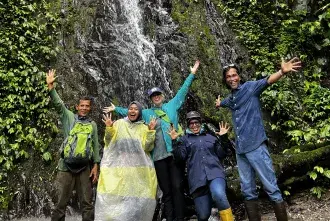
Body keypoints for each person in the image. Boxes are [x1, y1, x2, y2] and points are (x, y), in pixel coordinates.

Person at [103, 60, 200, 221]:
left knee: (177, 187)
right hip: (158, 158)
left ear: (162, 96)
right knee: (167, 191)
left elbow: (183, 90)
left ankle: (180, 217)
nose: (156, 97)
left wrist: (192, 73)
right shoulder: (147, 113)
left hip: (173, 154)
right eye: (153, 96)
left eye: (158, 95)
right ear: (151, 98)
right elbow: (133, 113)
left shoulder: (172, 105)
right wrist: (116, 109)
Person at [215, 58, 302, 221]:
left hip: (256, 146)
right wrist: (219, 104)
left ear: (239, 76)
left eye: (234, 75)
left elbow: (268, 80)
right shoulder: (231, 98)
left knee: (270, 186)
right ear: (225, 80)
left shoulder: (250, 88)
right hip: (241, 151)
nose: (232, 78)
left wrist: (282, 72)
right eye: (228, 76)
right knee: (247, 190)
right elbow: (225, 103)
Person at [46, 69, 101, 221]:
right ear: (77, 107)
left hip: (85, 167)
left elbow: (96, 146)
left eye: (87, 106)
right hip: (65, 166)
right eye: (81, 105)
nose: (84, 108)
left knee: (87, 203)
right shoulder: (69, 118)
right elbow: (59, 105)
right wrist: (51, 88)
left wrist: (96, 166)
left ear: (90, 108)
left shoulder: (93, 125)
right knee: (61, 203)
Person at [95, 101, 157, 221]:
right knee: (119, 208)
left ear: (139, 112)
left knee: (136, 208)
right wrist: (108, 127)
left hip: (138, 176)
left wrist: (150, 131)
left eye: (135, 109)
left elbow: (148, 147)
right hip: (120, 174)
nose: (132, 111)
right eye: (130, 109)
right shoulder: (118, 124)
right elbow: (108, 142)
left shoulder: (144, 128)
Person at [170, 111, 234, 221]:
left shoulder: (211, 137)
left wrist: (224, 138)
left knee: (219, 194)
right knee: (203, 215)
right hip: (197, 179)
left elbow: (222, 154)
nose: (194, 125)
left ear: (200, 123)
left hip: (215, 173)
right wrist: (174, 142)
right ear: (188, 125)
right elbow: (180, 158)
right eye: (191, 123)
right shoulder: (184, 140)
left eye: (196, 122)